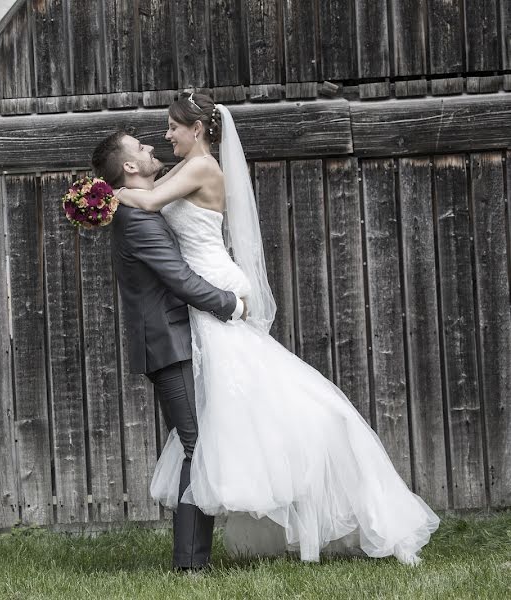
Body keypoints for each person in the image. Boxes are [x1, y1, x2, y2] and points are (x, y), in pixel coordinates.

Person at [103, 91, 439, 566]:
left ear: (197, 130)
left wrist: (108, 192)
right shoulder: (182, 169)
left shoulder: (198, 169)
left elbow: (152, 201)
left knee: (256, 414)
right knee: (230, 420)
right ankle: (203, 547)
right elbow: (156, 207)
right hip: (200, 301)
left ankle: (206, 550)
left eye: (174, 126)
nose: (165, 135)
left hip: (212, 291)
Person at [91, 130, 246, 572]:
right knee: (197, 446)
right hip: (168, 342)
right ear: (130, 167)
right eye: (140, 148)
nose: (151, 148)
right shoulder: (136, 218)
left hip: (177, 338)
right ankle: (189, 565)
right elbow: (179, 278)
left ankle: (193, 559)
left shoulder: (144, 205)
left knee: (195, 443)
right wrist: (230, 304)